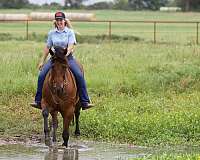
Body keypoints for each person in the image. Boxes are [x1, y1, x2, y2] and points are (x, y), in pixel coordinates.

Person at [30, 11, 94, 110]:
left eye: (61, 20)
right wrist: (42, 61)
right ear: (55, 21)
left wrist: (64, 55)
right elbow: (48, 47)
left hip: (67, 58)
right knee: (42, 75)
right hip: (55, 59)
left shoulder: (70, 32)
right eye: (57, 20)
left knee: (79, 75)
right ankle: (38, 101)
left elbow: (71, 46)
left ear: (64, 21)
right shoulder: (51, 33)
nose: (59, 22)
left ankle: (84, 101)